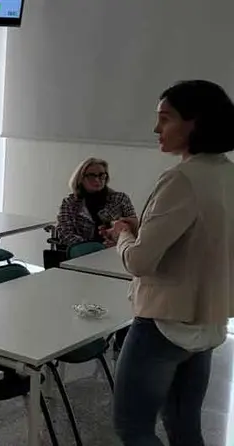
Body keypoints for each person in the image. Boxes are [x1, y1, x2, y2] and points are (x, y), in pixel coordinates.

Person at [108, 80, 234, 446]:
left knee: (133, 428)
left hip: (164, 323)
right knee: (184, 425)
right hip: (207, 320)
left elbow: (139, 261)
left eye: (165, 119)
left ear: (195, 123)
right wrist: (143, 228)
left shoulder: (181, 177)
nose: (156, 129)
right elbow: (204, 238)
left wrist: (122, 234)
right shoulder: (226, 174)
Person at [57, 158, 136, 247]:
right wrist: (93, 247)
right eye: (91, 176)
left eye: (101, 175)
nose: (97, 180)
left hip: (117, 250)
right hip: (84, 253)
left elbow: (134, 227)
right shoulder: (70, 203)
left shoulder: (120, 199)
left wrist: (116, 243)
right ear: (80, 178)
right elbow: (65, 233)